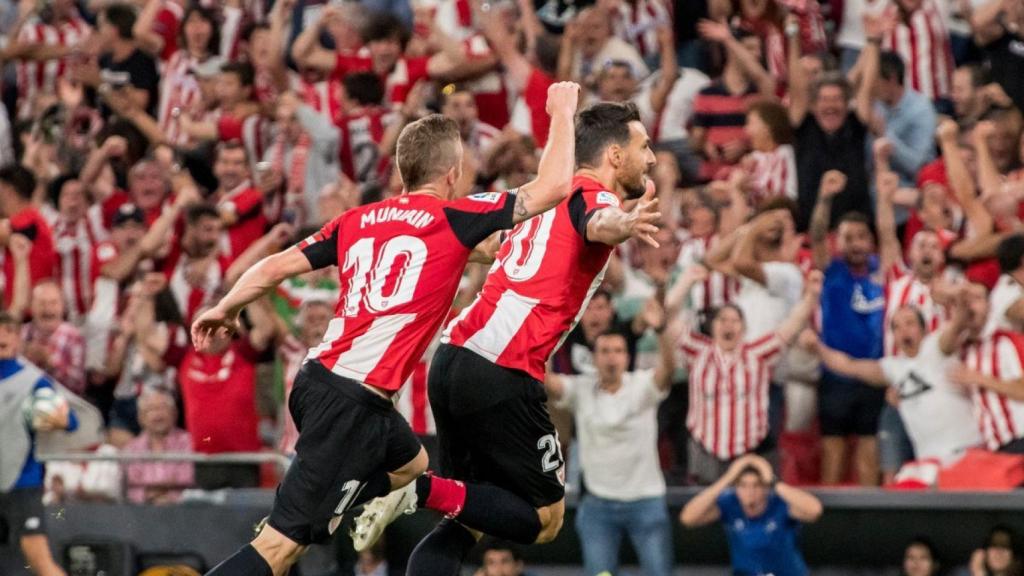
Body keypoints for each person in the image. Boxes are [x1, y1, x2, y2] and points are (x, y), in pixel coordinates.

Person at [192, 82, 581, 576]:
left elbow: (271, 269)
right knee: (279, 549)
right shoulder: (456, 215)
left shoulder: (357, 219)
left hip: (326, 384)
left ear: (402, 171)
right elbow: (551, 188)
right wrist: (562, 110)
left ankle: (334, 500)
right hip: (350, 400)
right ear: (453, 173)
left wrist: (225, 307)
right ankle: (302, 517)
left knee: (413, 467)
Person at [353, 100, 661, 575]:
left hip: (454, 359)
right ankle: (415, 489)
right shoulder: (593, 195)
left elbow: (494, 246)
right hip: (501, 368)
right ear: (614, 156)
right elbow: (600, 221)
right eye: (644, 146)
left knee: (465, 520)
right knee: (544, 519)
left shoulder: (535, 201)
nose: (653, 158)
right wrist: (624, 224)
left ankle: (426, 493)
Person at [667, 265, 822, 484]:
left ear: (744, 328)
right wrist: (686, 282)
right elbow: (667, 317)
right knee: (704, 510)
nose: (728, 325)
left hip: (750, 451)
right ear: (712, 326)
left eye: (734, 320)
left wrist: (811, 296)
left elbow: (792, 326)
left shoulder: (758, 354)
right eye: (722, 320)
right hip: (705, 450)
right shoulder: (696, 350)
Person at [543, 327, 676, 576]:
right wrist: (553, 331)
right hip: (598, 504)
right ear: (594, 358)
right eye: (604, 351)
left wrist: (660, 332)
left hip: (646, 500)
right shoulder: (581, 389)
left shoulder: (642, 385)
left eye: (617, 351)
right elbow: (546, 380)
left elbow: (668, 370)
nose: (611, 357)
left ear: (627, 357)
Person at [803, 305, 984, 464]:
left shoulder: (937, 347)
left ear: (924, 328)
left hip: (967, 449)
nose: (903, 330)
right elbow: (849, 366)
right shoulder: (893, 368)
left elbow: (957, 325)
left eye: (909, 323)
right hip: (931, 461)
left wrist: (959, 300)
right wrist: (818, 348)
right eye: (896, 327)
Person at [809, 171, 886, 486]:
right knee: (834, 451)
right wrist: (825, 198)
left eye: (861, 237)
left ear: (870, 240)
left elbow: (888, 235)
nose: (856, 244)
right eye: (848, 237)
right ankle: (830, 526)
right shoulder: (832, 271)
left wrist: (883, 195)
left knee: (870, 449)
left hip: (875, 375)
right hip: (835, 378)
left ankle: (872, 523)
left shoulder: (884, 270)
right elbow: (815, 234)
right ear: (837, 242)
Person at [0, 311, 78, 576]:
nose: (3, 337)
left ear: (18, 338)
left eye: (9, 331)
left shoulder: (33, 381)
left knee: (38, 557)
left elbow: (72, 421)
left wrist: (60, 418)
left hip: (22, 483)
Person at [680, 454, 823, 576]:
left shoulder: (780, 503)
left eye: (757, 485)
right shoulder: (730, 504)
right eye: (743, 485)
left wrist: (774, 482)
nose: (750, 491)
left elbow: (814, 510)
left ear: (766, 487)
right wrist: (726, 479)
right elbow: (688, 518)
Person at [940, 282, 1024, 454]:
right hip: (991, 448)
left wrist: (979, 379)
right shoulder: (961, 349)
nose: (970, 306)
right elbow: (942, 347)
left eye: (977, 299)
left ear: (989, 305)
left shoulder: (1006, 342)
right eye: (965, 301)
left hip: (1018, 440)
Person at [122, 388, 194, 505]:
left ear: (174, 413)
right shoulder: (131, 449)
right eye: (151, 410)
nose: (158, 415)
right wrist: (161, 491)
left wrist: (165, 495)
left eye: (163, 408)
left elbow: (187, 479)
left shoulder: (189, 442)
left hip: (182, 511)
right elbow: (133, 490)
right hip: (141, 513)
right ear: (141, 418)